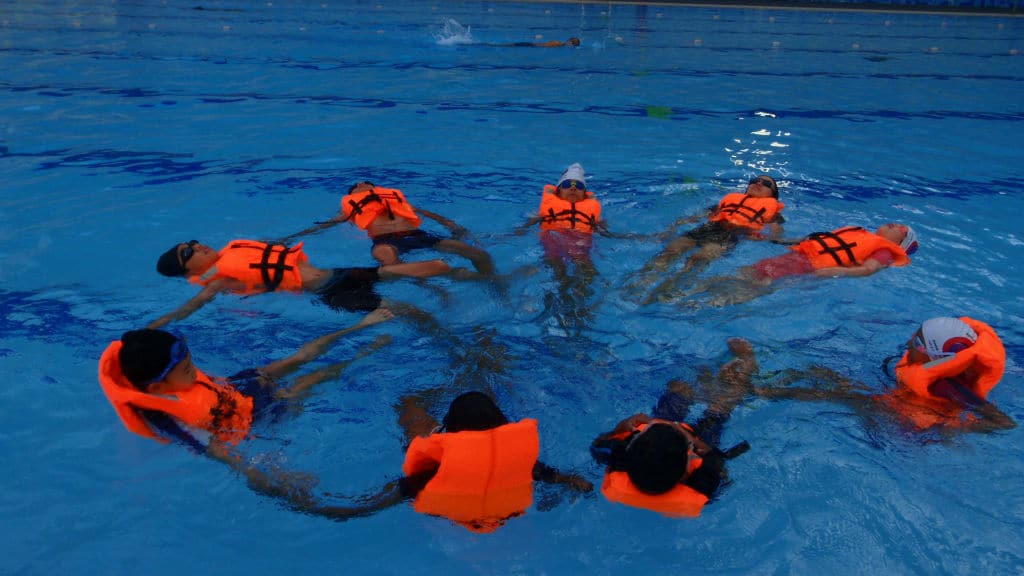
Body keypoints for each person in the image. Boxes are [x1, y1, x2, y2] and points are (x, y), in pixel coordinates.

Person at [99, 308, 394, 453]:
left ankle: (361, 325)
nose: (194, 367)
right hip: (256, 415)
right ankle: (362, 355)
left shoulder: (153, 365)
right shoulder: (172, 419)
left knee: (299, 357)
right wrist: (265, 475)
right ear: (157, 390)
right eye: (187, 369)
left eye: (191, 362)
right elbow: (220, 453)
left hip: (237, 386)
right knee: (313, 378)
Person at [293, 391, 593, 531]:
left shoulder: (430, 475)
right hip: (506, 526)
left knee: (410, 412)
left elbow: (361, 507)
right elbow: (568, 480)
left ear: (449, 429)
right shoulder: (523, 463)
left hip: (448, 527)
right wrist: (575, 485)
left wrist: (298, 495)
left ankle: (410, 404)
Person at [753, 317, 1015, 436]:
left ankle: (766, 391)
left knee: (838, 395)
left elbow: (1004, 423)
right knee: (829, 376)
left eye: (918, 344)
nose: (910, 345)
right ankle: (784, 376)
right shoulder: (936, 371)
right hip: (903, 402)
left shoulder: (947, 386)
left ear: (938, 358)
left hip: (907, 427)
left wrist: (951, 428)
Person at [590, 338, 757, 517]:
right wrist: (692, 440)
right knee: (721, 407)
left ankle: (705, 383)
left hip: (666, 433)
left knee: (678, 387)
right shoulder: (700, 485)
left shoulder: (619, 462)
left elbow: (598, 444)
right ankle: (748, 362)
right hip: (702, 441)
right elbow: (718, 464)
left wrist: (623, 426)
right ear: (686, 471)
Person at [148, 238, 452, 328]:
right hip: (333, 283)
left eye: (192, 243)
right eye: (189, 252)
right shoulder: (220, 279)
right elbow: (187, 309)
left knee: (400, 295)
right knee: (400, 295)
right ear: (188, 271)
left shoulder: (235, 251)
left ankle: (445, 297)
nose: (198, 246)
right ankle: (446, 304)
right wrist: (148, 331)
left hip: (335, 281)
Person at [672, 222, 919, 306]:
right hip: (796, 258)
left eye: (901, 229)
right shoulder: (858, 232)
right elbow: (810, 241)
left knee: (753, 285)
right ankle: (688, 293)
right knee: (746, 274)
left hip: (807, 267)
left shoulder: (886, 251)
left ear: (901, 243)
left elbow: (867, 270)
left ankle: (698, 304)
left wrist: (829, 272)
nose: (895, 225)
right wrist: (775, 240)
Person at [281, 182, 495, 275]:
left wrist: (452, 226)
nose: (361, 183)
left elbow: (427, 214)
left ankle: (492, 282)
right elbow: (325, 225)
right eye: (357, 185)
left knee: (477, 253)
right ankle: (432, 286)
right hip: (385, 242)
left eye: (366, 182)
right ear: (353, 194)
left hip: (417, 235)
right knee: (390, 264)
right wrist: (291, 238)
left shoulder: (394, 199)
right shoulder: (350, 208)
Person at [628, 174, 785, 299]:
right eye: (755, 180)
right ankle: (638, 283)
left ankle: (670, 288)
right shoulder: (728, 203)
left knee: (697, 259)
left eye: (766, 184)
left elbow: (776, 234)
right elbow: (693, 218)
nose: (759, 183)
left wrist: (760, 236)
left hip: (729, 236)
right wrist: (669, 230)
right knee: (671, 250)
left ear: (773, 195)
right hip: (705, 229)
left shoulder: (772, 214)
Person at [515, 163, 607, 335]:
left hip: (581, 247)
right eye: (567, 185)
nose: (573, 189)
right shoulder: (544, 211)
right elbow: (527, 225)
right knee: (559, 276)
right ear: (558, 190)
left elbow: (605, 232)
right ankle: (557, 307)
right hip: (554, 246)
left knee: (587, 274)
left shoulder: (594, 215)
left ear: (584, 193)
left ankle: (581, 308)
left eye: (578, 186)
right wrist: (519, 231)